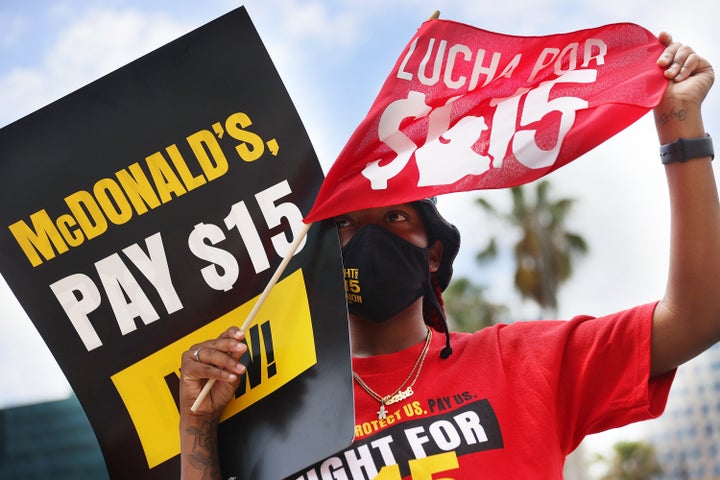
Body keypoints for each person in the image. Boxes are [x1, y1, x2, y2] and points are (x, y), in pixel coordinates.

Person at [178, 31, 717, 479]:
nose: (367, 239)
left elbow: (697, 319)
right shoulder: (270, 410)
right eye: (345, 224)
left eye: (394, 218)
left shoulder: (526, 362)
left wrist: (679, 124)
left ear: (433, 254)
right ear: (318, 256)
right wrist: (197, 426)